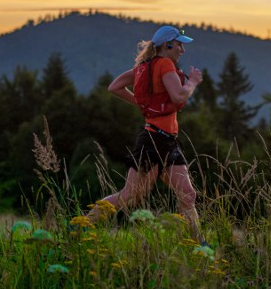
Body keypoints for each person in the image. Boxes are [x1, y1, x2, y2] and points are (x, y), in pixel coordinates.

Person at [86, 25, 205, 243]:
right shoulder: (165, 64)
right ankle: (82, 227)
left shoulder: (144, 67)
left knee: (188, 195)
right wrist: (193, 81)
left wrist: (144, 105)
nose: (182, 50)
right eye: (179, 44)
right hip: (153, 141)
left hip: (167, 140)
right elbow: (179, 97)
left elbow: (115, 87)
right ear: (167, 45)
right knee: (130, 196)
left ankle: (200, 245)